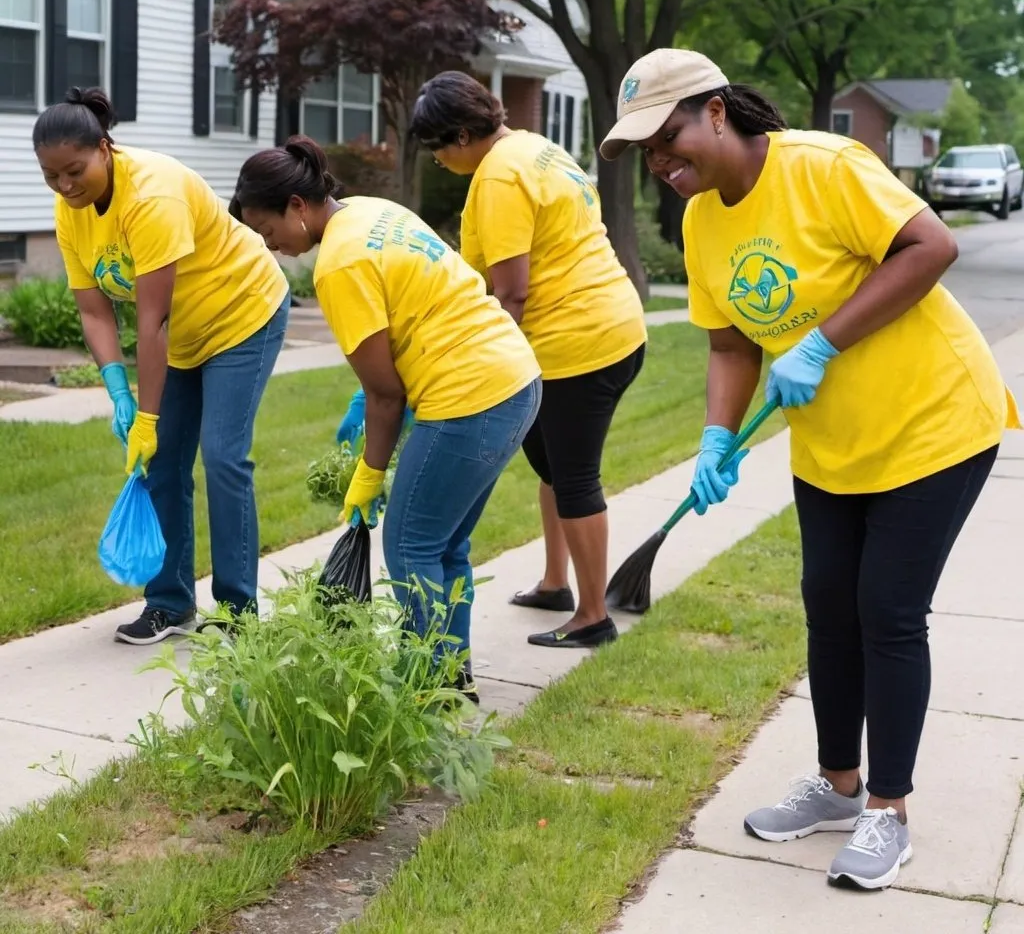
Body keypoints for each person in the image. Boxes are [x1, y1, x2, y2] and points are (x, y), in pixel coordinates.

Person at [599, 47, 1020, 890]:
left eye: (668, 136)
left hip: (933, 421)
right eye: (645, 150)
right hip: (831, 443)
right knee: (828, 604)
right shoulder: (700, 220)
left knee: (886, 611)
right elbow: (728, 344)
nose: (660, 162)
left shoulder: (824, 166)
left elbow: (929, 246)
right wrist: (717, 441)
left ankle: (887, 812)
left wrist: (823, 340)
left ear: (716, 110)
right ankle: (837, 787)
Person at [231, 137, 541, 699]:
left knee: (410, 546)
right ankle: (450, 676)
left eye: (267, 229)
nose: (269, 244)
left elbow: (385, 396)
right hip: (517, 379)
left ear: (297, 206)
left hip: (469, 396)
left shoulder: (337, 265)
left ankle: (424, 687)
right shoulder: (376, 211)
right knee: (445, 546)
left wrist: (369, 474)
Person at [33, 88, 290, 645]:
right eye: (52, 176)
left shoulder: (152, 195)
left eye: (75, 171)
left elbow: (152, 324)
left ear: (105, 148)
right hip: (181, 332)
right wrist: (117, 390)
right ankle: (170, 603)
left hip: (241, 313)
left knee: (223, 457)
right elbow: (93, 310)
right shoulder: (69, 210)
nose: (66, 186)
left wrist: (147, 417)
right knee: (162, 465)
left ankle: (239, 610)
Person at [408, 70, 647, 649]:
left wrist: (481, 360)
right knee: (552, 469)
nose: (439, 162)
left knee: (574, 479)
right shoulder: (537, 147)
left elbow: (510, 291)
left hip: (576, 344)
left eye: (438, 150)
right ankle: (555, 583)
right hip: (612, 325)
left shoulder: (499, 177)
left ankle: (593, 616)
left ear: (462, 135)